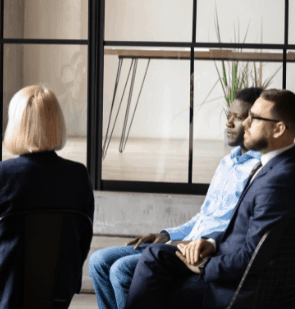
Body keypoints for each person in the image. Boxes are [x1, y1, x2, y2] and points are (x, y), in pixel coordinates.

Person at [89, 87, 264, 309]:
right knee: (98, 262)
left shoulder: (259, 170)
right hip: (180, 241)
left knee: (120, 270)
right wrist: (166, 234)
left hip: (197, 249)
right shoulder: (226, 163)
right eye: (227, 115)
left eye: (237, 118)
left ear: (253, 122)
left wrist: (194, 243)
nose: (228, 123)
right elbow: (204, 215)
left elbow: (234, 232)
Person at [124, 89, 295, 309]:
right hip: (225, 258)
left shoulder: (278, 181)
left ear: (278, 129)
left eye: (254, 118)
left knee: (149, 264)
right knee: (156, 255)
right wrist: (212, 242)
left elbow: (254, 257)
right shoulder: (275, 166)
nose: (245, 124)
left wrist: (206, 265)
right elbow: (246, 232)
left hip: (235, 289)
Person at [0, 86, 95, 309]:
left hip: (3, 294)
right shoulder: (78, 176)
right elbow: (82, 244)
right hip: (57, 295)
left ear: (16, 124)